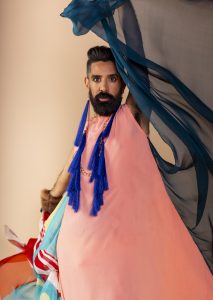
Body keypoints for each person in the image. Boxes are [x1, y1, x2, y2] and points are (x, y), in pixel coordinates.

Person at [37, 46, 213, 300]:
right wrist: (51, 199)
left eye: (112, 79)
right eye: (97, 79)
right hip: (76, 254)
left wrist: (122, 25)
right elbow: (71, 165)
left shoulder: (132, 114)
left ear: (122, 83)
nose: (104, 88)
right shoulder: (87, 122)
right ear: (86, 82)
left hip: (118, 254)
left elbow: (146, 72)